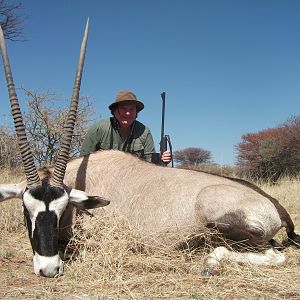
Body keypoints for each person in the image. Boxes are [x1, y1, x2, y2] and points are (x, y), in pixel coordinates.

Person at [80, 90, 172, 164]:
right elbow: (82, 162)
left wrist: (162, 160)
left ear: (136, 113)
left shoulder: (145, 131)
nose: (127, 113)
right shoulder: (98, 129)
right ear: (114, 111)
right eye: (123, 108)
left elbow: (150, 163)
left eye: (132, 109)